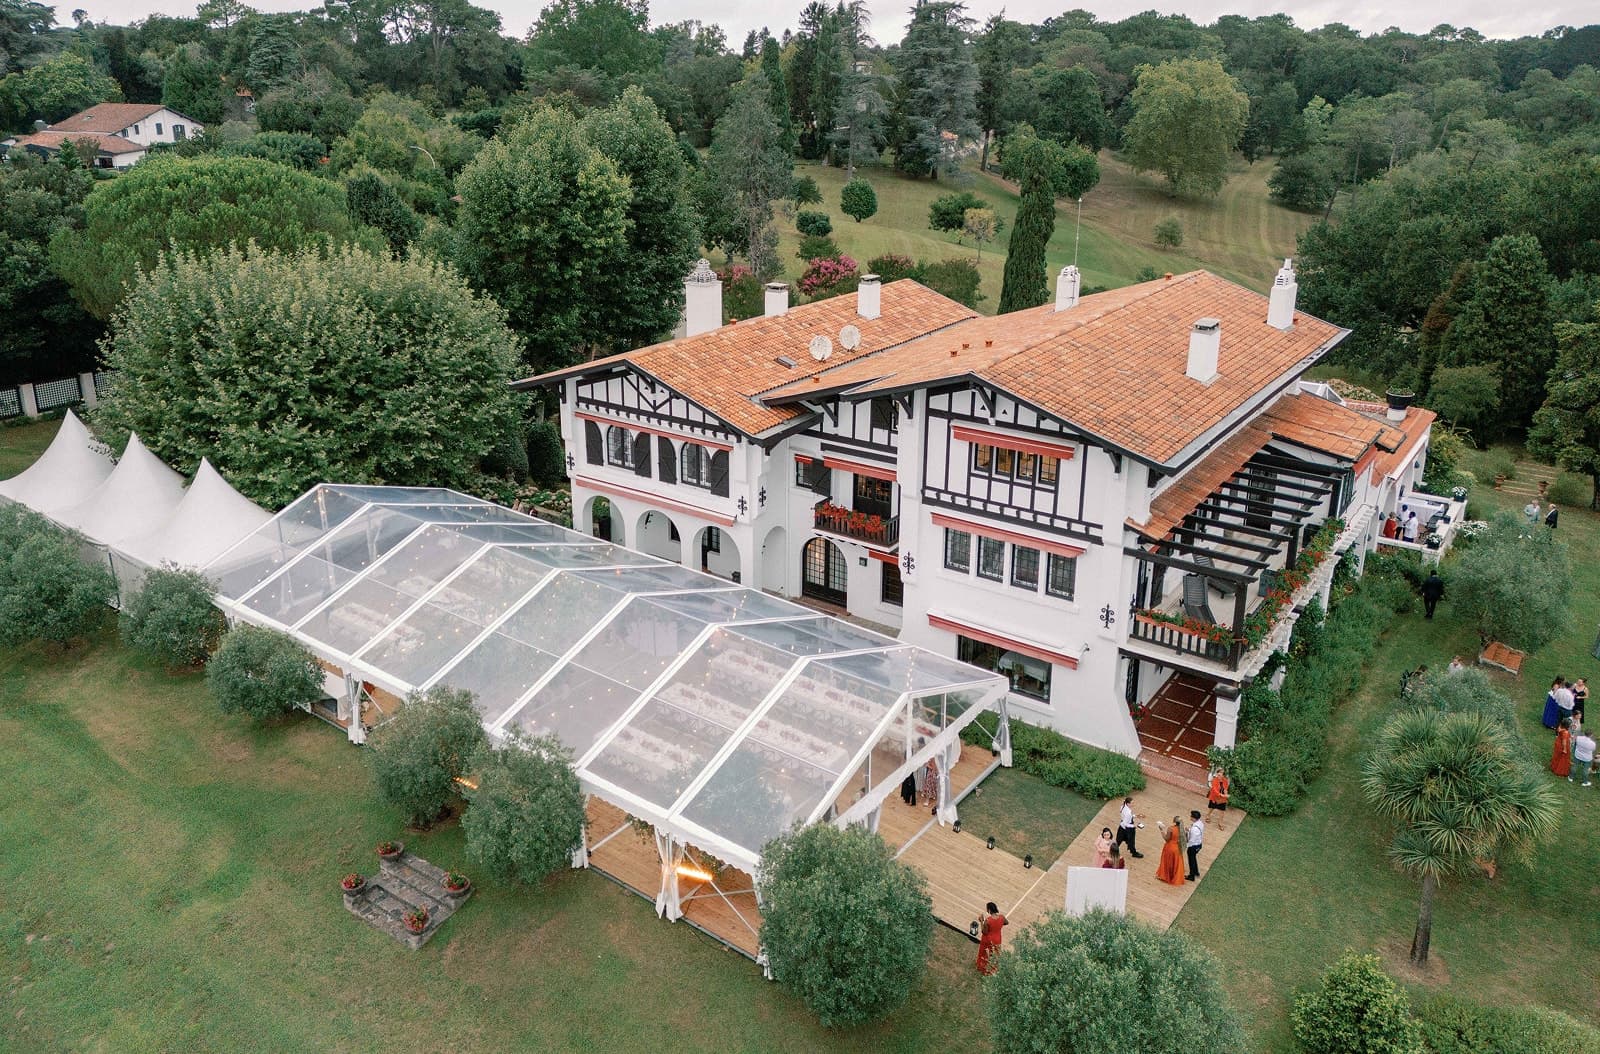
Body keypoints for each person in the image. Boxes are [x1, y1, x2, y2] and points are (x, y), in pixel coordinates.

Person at [976, 901, 1007, 975]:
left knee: (984, 954)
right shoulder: (1002, 917)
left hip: (988, 940)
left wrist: (981, 921)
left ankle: (982, 968)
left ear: (989, 910)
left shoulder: (988, 921)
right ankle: (993, 969)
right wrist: (999, 926)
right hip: (998, 939)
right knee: (994, 955)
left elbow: (984, 932)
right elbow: (1006, 922)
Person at [1155, 816, 1185, 886]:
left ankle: (1166, 877)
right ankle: (1174, 877)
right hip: (1178, 848)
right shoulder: (1182, 829)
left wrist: (1161, 830)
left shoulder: (1171, 829)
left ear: (1174, 821)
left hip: (1170, 848)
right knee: (1176, 864)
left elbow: (1167, 839)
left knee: (1168, 862)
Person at [1185, 810, 1205, 881]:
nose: (1190, 817)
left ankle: (1191, 876)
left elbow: (1192, 840)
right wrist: (1189, 830)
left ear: (1194, 818)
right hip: (1198, 844)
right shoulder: (1200, 823)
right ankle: (1196, 872)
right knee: (1193, 859)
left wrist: (1186, 845)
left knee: (1191, 861)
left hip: (1193, 846)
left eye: (1191, 816)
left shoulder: (1194, 829)